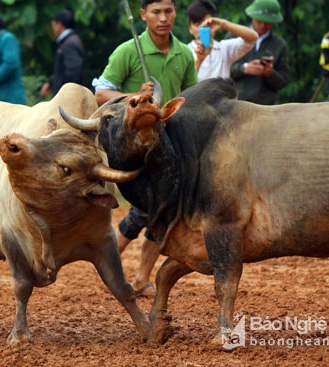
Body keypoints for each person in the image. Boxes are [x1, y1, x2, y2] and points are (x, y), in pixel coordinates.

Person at [92, 0, 197, 297]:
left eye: (169, 11)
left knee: (159, 212)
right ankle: (113, 270)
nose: (163, 18)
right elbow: (101, 93)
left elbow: (190, 97)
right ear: (143, 15)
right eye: (156, 12)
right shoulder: (127, 51)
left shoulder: (184, 53)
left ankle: (140, 278)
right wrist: (134, 96)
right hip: (132, 148)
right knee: (145, 212)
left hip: (167, 145)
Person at [229, 0, 289, 105]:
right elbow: (220, 70)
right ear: (252, 17)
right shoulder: (234, 37)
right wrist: (243, 68)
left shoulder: (280, 45)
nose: (263, 25)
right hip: (235, 104)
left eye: (267, 22)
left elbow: (282, 82)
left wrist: (270, 73)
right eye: (259, 21)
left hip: (265, 108)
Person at [186, 0, 258, 80]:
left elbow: (253, 38)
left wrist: (224, 24)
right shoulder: (185, 52)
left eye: (208, 24)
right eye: (197, 25)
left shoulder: (224, 48)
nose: (202, 28)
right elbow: (183, 86)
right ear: (190, 29)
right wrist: (199, 60)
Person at [39, 9, 84, 98]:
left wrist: (65, 93)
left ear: (59, 24)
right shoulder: (67, 42)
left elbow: (74, 73)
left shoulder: (70, 43)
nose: (53, 29)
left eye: (53, 25)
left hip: (68, 98)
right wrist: (51, 82)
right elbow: (62, 71)